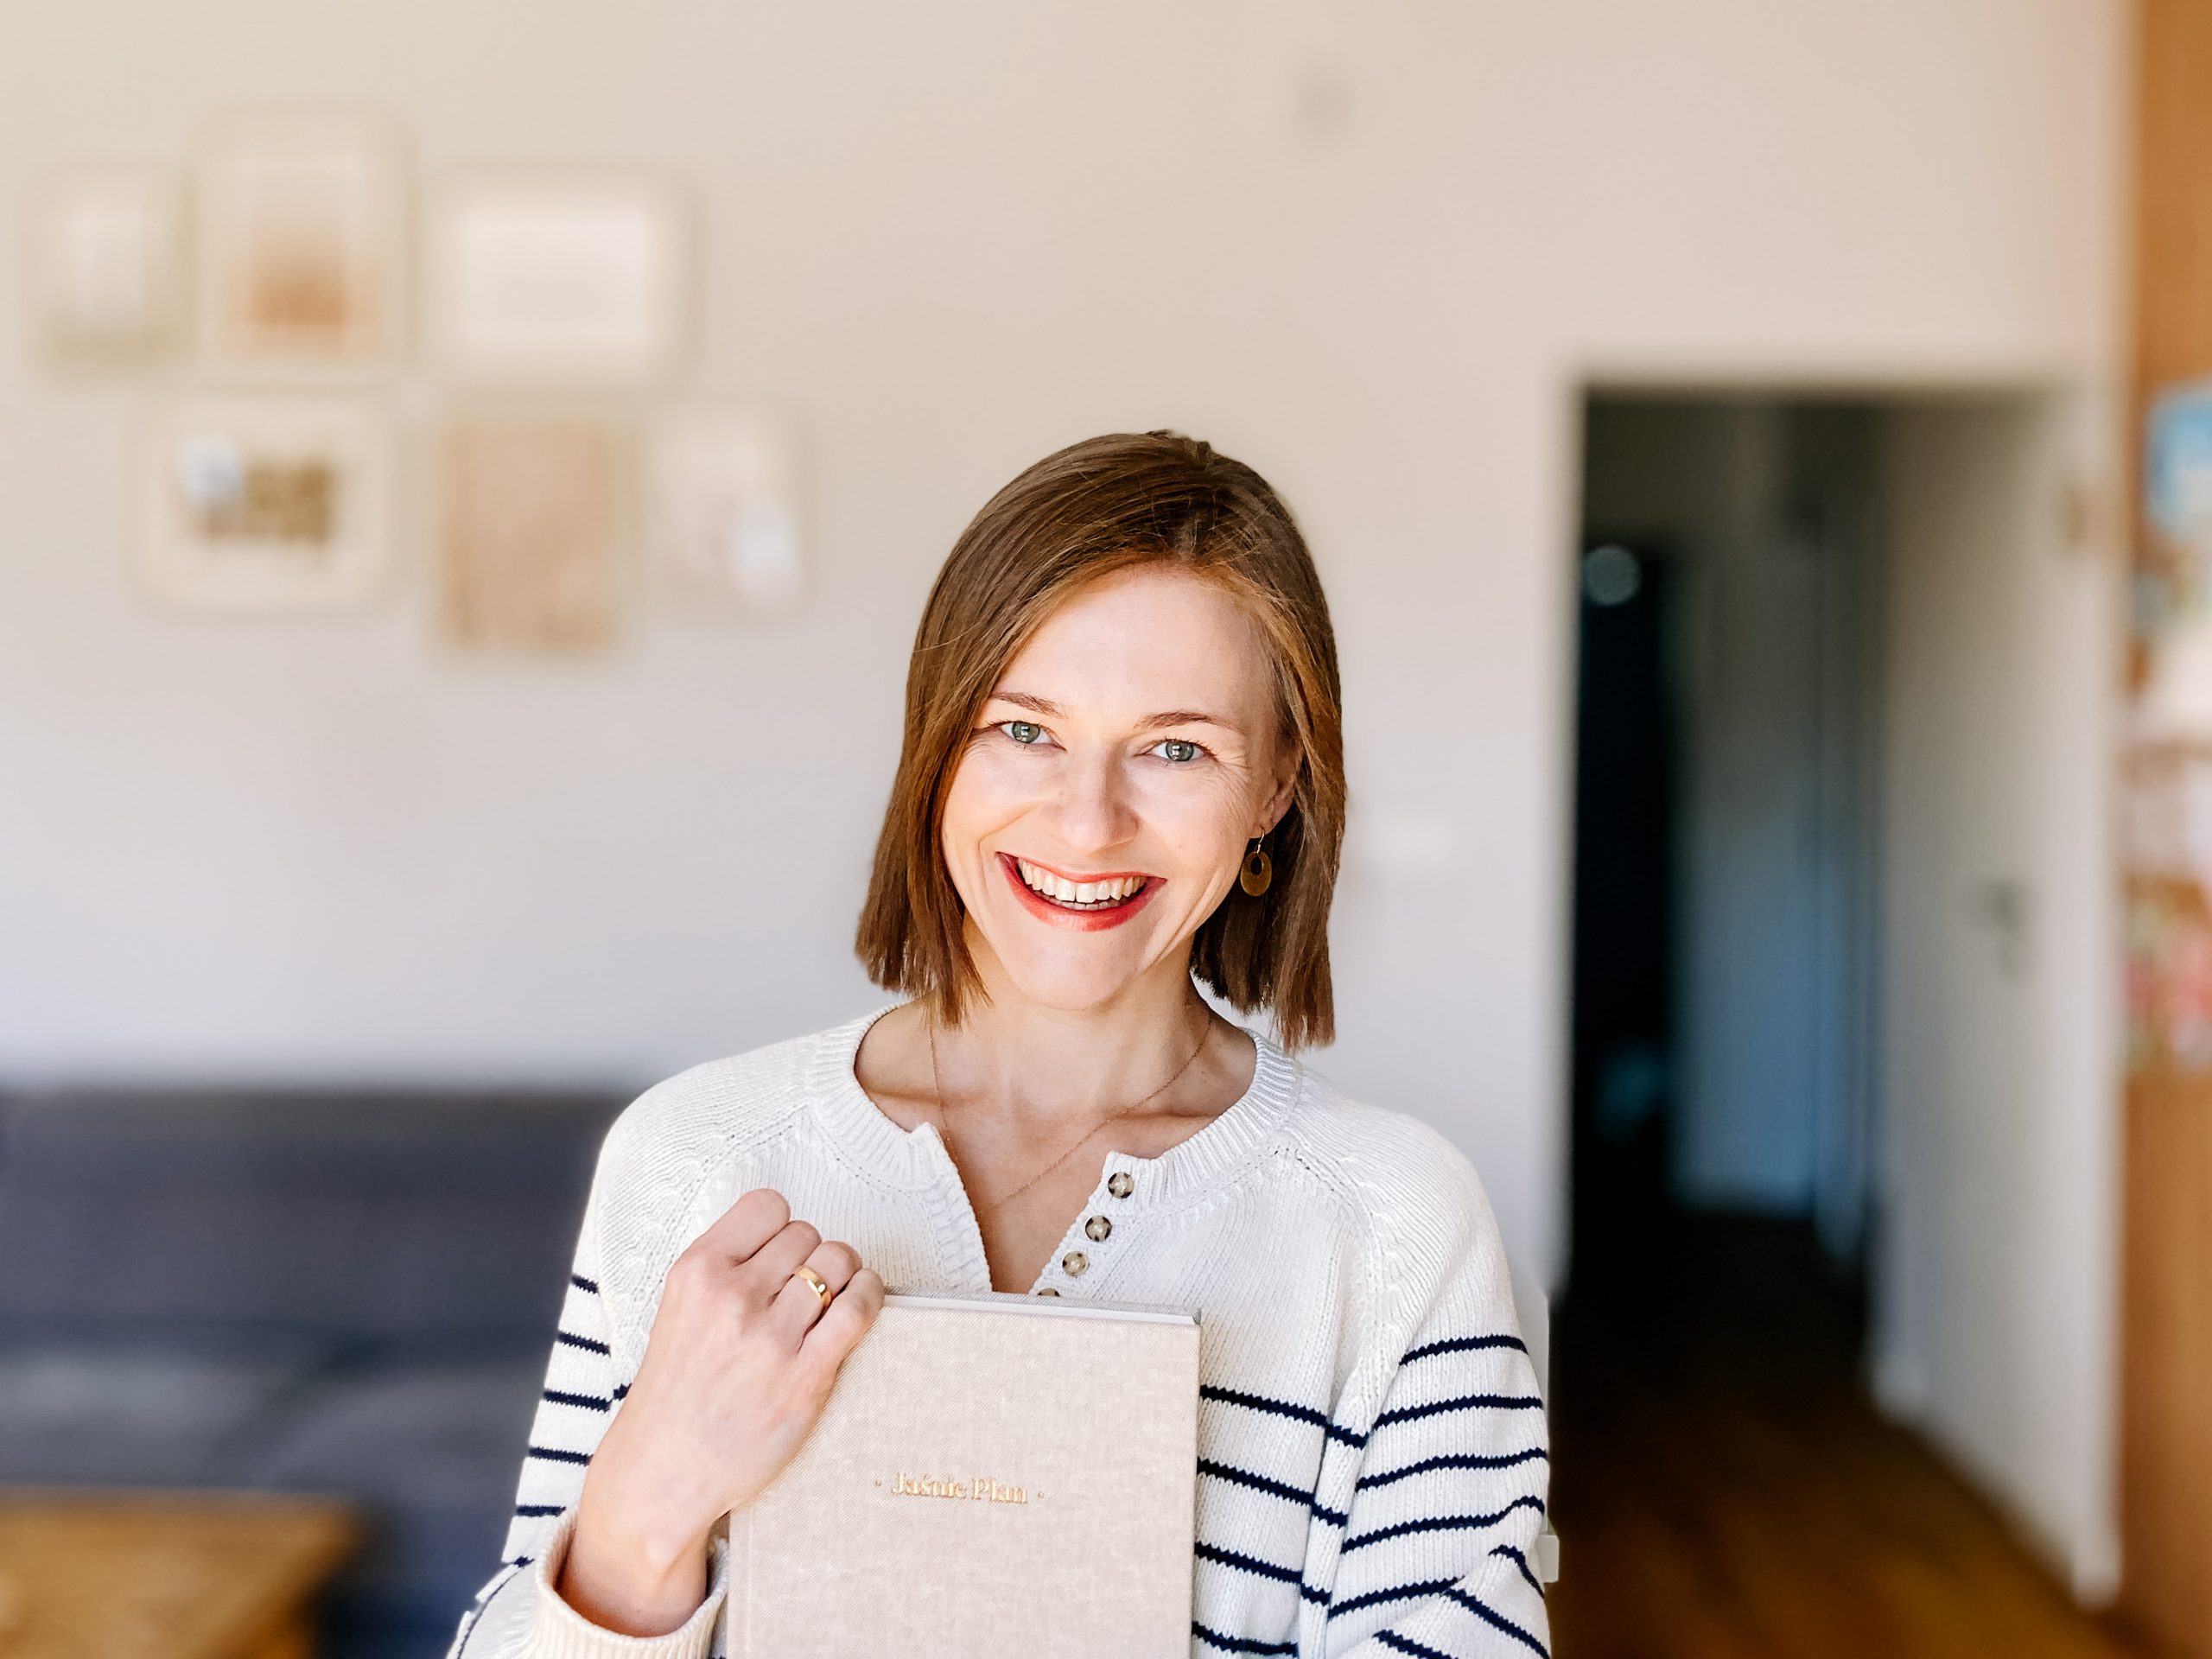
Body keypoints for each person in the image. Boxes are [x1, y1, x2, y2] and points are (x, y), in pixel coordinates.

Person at [450, 432, 1550, 1658]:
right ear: (938, 747)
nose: (1087, 821)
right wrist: (646, 1500)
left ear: (1278, 786)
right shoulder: (694, 1160)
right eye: (1023, 729)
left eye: (1177, 748)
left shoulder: (1396, 1227)